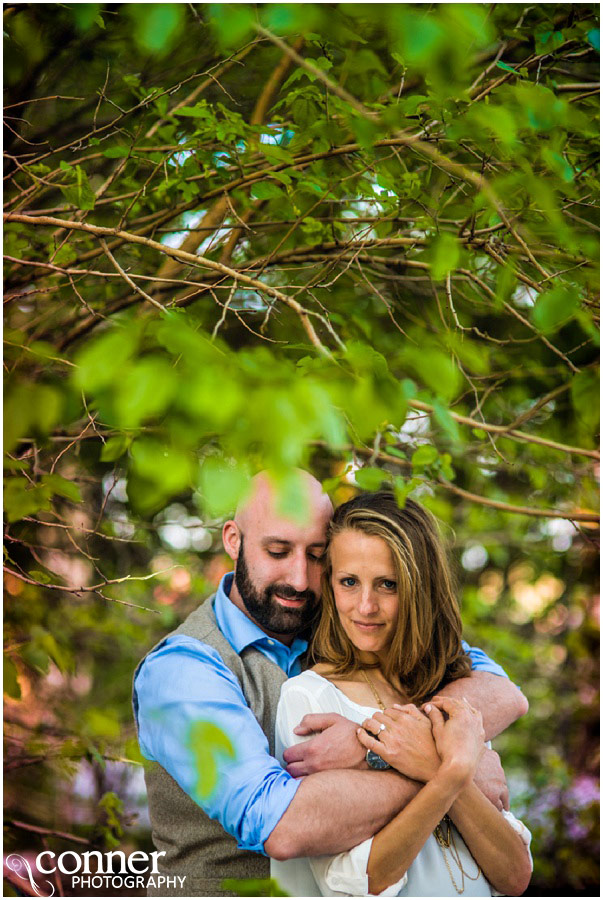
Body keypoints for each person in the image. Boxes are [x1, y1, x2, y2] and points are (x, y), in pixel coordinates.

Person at [133, 471, 528, 897]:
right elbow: (280, 827)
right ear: (233, 539)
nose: (300, 579)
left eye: (317, 556)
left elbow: (501, 691)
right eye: (278, 551)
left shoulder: (351, 620)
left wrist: (369, 741)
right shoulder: (182, 669)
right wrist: (445, 770)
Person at [273, 490, 532, 896]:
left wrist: (428, 760)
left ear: (420, 588)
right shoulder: (309, 699)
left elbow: (514, 876)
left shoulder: (449, 696)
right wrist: (449, 772)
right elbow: (361, 883)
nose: (365, 606)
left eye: (387, 585)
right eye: (348, 582)